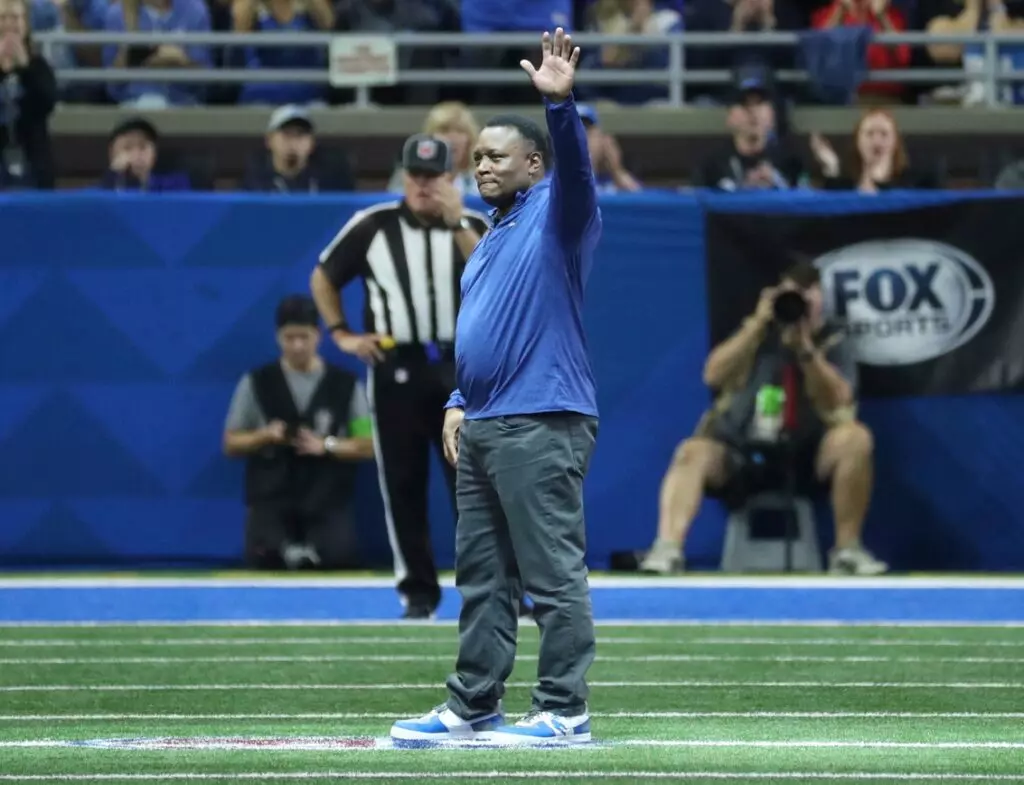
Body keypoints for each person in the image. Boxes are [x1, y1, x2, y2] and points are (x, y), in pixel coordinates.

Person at [390, 27, 601, 746]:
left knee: (551, 575)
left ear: (533, 164)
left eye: (495, 155)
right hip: (482, 423)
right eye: (474, 156)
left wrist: (561, 106)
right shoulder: (490, 238)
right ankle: (474, 701)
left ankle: (564, 709)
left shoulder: (559, 213)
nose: (479, 165)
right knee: (481, 576)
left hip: (541, 419)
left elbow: (576, 168)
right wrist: (456, 400)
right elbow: (482, 336)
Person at [310, 134, 489, 618]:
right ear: (402, 177)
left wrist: (457, 223)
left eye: (434, 177)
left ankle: (490, 593)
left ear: (451, 179)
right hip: (397, 366)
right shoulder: (373, 225)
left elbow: (497, 284)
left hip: (460, 369)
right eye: (416, 176)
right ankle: (418, 594)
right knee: (403, 485)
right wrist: (343, 333)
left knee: (473, 486)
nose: (424, 186)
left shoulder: (473, 225)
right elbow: (324, 275)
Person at [639, 262, 887, 576]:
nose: (799, 303)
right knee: (692, 452)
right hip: (740, 455)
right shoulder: (753, 335)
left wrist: (806, 349)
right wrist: (756, 325)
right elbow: (713, 375)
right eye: (790, 295)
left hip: (807, 458)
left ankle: (847, 551)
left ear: (821, 298)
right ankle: (667, 549)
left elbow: (838, 398)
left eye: (808, 295)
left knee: (855, 439)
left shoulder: (834, 340)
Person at [223, 295, 374, 570]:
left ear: (318, 336)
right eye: (289, 338)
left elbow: (368, 445)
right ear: (278, 337)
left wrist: (327, 445)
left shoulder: (346, 386)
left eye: (304, 337)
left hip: (325, 502)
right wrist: (265, 436)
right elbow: (231, 442)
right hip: (273, 500)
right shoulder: (256, 383)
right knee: (265, 557)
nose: (297, 346)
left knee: (337, 557)